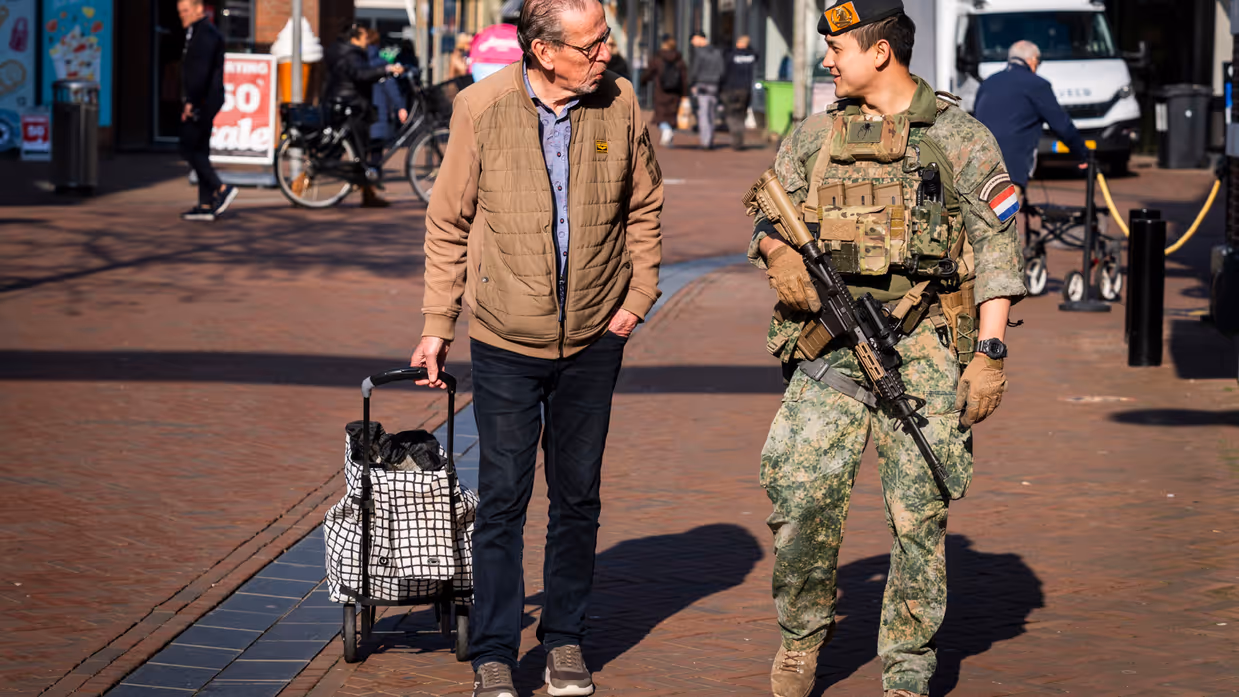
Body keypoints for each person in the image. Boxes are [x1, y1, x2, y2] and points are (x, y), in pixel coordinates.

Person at [747, 2, 1025, 696]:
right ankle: (802, 634)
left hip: (924, 344)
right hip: (830, 343)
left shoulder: (959, 136)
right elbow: (763, 211)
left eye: (837, 46)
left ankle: (906, 665)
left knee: (918, 511)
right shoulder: (813, 135)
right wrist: (775, 252)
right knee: (799, 492)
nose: (827, 59)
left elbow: (997, 245)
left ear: (879, 53)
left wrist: (989, 351)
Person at [409, 0, 664, 694]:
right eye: (589, 46)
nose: (604, 54)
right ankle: (493, 648)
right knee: (503, 499)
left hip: (593, 335)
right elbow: (448, 221)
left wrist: (636, 298)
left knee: (577, 497)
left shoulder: (620, 102)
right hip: (504, 337)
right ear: (543, 51)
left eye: (605, 39)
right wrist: (439, 322)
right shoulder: (480, 108)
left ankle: (563, 640)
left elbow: (643, 206)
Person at [974, 40, 1090, 199]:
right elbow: (1061, 125)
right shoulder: (1037, 85)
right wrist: (1082, 154)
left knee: (978, 218)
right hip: (1009, 167)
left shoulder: (988, 83)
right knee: (1002, 220)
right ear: (1032, 60)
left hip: (977, 163)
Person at [322, 23, 404, 207]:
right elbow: (360, 74)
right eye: (364, 37)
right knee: (356, 152)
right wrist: (385, 70)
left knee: (355, 151)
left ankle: (368, 193)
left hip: (347, 103)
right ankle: (303, 180)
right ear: (355, 39)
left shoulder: (343, 51)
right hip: (351, 104)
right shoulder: (351, 54)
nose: (367, 41)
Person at [177, 0, 235, 222]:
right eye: (180, 12)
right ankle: (205, 203)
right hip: (205, 99)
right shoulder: (198, 32)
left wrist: (191, 102)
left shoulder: (205, 35)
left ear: (198, 8)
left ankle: (221, 188)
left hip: (203, 100)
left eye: (185, 11)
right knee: (199, 148)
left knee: (188, 147)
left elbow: (199, 73)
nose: (182, 16)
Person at [365, 28, 408, 157]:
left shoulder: (359, 63)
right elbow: (391, 88)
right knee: (376, 149)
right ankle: (374, 170)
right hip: (378, 112)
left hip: (361, 112)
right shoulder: (381, 64)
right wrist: (400, 107)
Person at [640, 36, 686, 146]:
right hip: (675, 92)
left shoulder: (657, 59)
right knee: (671, 114)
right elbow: (684, 78)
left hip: (660, 91)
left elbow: (648, 73)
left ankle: (666, 132)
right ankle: (669, 132)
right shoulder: (679, 60)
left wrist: (643, 81)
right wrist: (685, 94)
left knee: (661, 115)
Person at [687, 31, 725, 149]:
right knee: (711, 113)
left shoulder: (699, 53)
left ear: (700, 38)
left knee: (703, 113)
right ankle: (710, 138)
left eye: (693, 39)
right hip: (714, 85)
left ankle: (706, 140)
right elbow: (722, 70)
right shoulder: (718, 52)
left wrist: (691, 83)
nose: (692, 43)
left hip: (702, 84)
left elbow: (695, 70)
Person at [722, 34, 758, 150]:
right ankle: (739, 138)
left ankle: (735, 136)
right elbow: (756, 55)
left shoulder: (731, 54)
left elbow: (724, 65)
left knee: (731, 114)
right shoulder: (751, 55)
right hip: (745, 89)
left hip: (731, 88)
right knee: (741, 114)